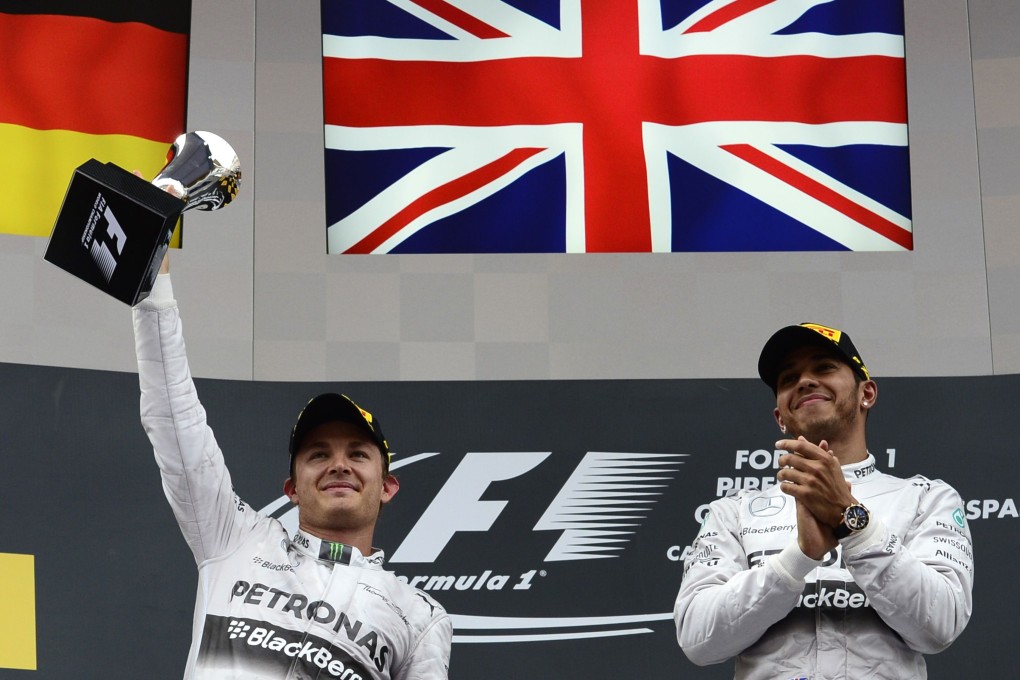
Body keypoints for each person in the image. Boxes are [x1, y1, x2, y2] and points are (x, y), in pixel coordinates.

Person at [133, 255, 452, 679]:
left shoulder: (419, 615)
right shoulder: (237, 539)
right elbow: (175, 419)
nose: (339, 465)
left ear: (388, 486)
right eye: (318, 454)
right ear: (292, 488)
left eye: (358, 454)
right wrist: (153, 277)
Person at [674, 322, 973, 679]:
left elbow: (939, 627)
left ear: (867, 393)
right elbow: (698, 640)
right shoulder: (733, 512)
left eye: (824, 367)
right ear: (780, 417)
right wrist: (797, 559)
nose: (804, 381)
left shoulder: (926, 499)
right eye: (788, 378)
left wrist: (854, 523)